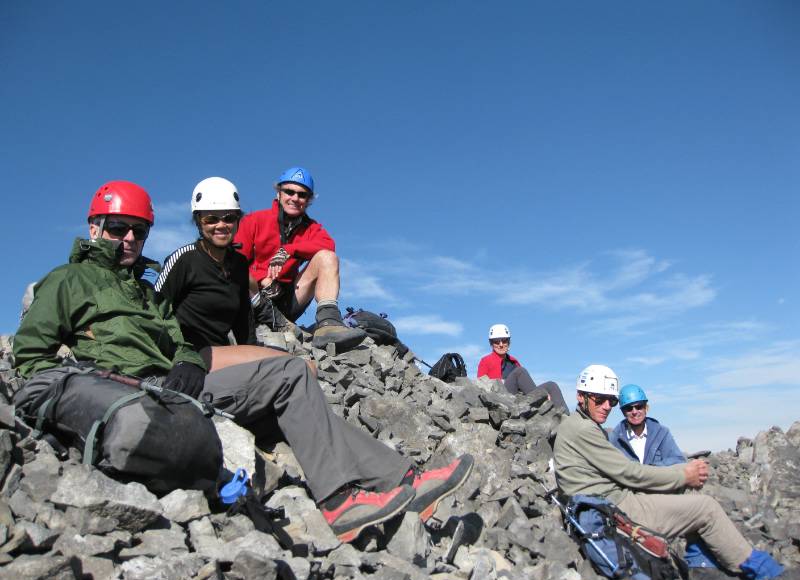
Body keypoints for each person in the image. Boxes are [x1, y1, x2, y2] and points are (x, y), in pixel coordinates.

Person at [13, 180, 475, 543]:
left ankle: (404, 479)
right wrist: (96, 383)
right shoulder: (69, 280)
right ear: (94, 227)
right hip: (135, 390)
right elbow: (31, 356)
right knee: (290, 372)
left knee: (297, 399)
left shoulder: (142, 290)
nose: (130, 238)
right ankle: (338, 501)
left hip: (177, 381)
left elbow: (176, 337)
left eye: (139, 230)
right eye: (118, 228)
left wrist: (187, 361)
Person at [552, 365, 784, 580]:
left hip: (607, 501)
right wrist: (684, 475)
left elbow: (628, 470)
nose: (606, 406)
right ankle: (766, 573)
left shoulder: (581, 425)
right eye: (599, 399)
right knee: (706, 508)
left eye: (611, 401)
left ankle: (702, 567)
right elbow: (629, 472)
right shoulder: (585, 429)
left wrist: (682, 472)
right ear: (581, 396)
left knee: (687, 492)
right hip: (615, 507)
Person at [154, 176, 307, 374]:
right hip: (188, 355)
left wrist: (250, 353)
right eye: (211, 219)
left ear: (237, 220)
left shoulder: (239, 265)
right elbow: (154, 310)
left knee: (299, 368)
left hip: (221, 355)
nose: (221, 225)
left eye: (229, 218)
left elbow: (244, 323)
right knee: (294, 367)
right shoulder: (184, 259)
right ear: (198, 221)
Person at [234, 167, 365, 353]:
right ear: (279, 193)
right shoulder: (253, 220)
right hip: (254, 299)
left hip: (287, 301)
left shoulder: (311, 228)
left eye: (302, 195)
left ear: (308, 200)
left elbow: (329, 245)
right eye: (289, 191)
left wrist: (289, 250)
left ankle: (328, 324)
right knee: (238, 271)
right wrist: (261, 279)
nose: (295, 198)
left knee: (327, 257)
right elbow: (235, 262)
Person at [611, 384, 721, 574]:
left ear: (646, 407)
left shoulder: (661, 433)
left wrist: (649, 471)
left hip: (661, 488)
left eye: (638, 406)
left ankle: (698, 555)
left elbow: (677, 461)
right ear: (623, 411)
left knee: (692, 490)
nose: (634, 411)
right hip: (634, 496)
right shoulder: (616, 438)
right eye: (629, 408)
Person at [477, 324, 568, 413]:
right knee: (520, 372)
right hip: (501, 397)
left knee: (551, 385)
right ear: (491, 343)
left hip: (519, 397)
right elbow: (480, 386)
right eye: (496, 341)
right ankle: (539, 400)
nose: (501, 344)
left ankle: (565, 417)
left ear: (509, 342)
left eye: (504, 341)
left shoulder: (514, 361)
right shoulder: (485, 361)